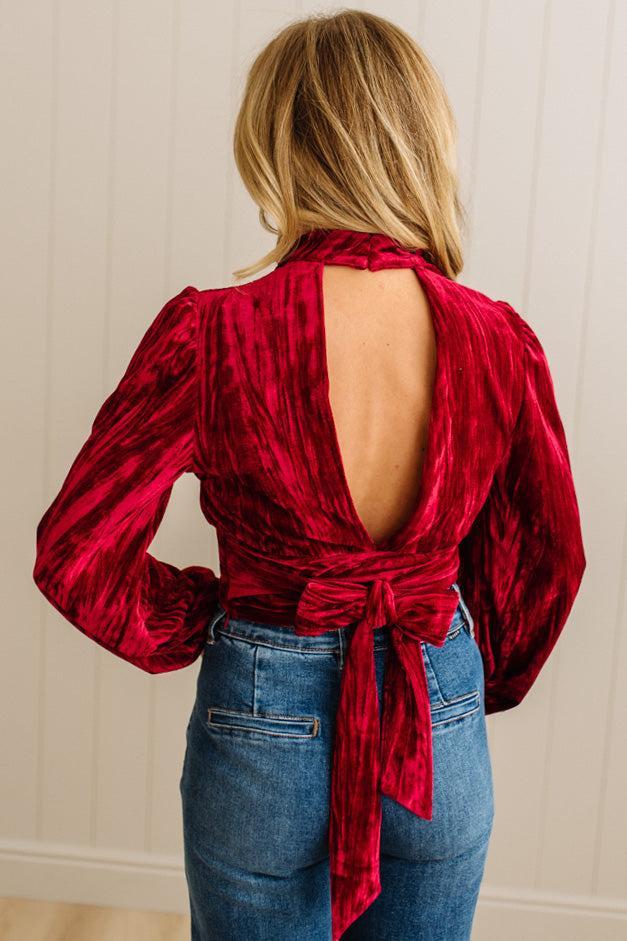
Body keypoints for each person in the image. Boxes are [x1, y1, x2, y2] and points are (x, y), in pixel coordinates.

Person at [32, 10, 586, 941]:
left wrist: (199, 615)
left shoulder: (213, 333)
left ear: (272, 147)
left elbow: (78, 551)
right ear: (421, 142)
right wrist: (463, 680)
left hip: (263, 706)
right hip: (434, 711)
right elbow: (547, 559)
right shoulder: (498, 339)